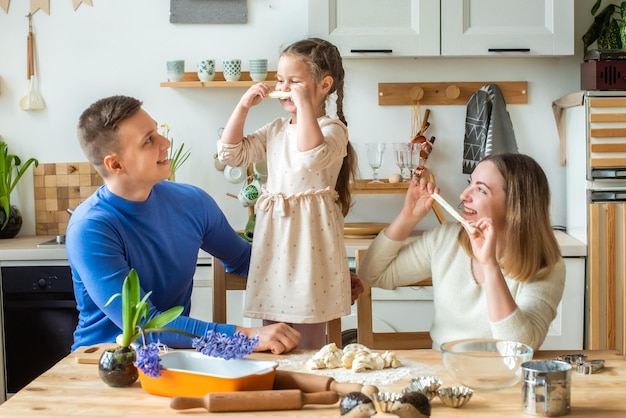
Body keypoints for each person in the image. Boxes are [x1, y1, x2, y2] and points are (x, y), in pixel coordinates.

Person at [66, 95, 301, 354]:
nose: (165, 143)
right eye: (149, 140)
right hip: (102, 363)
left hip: (171, 358)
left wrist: (322, 279)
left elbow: (246, 261)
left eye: (158, 132)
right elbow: (145, 326)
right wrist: (248, 336)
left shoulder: (192, 202)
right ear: (115, 164)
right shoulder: (90, 228)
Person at [218, 38, 358, 349]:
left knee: (307, 328)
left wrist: (305, 104)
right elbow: (230, 153)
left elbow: (311, 155)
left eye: (294, 81)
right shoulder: (275, 129)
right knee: (275, 330)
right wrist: (242, 107)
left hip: (312, 241)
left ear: (324, 85)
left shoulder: (334, 130)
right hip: (275, 238)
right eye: (280, 80)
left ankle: (309, 375)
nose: (284, 87)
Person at [357, 153, 565, 350]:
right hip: (445, 372)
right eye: (470, 184)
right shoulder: (446, 239)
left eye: (481, 189)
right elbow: (372, 274)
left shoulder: (546, 265)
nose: (464, 195)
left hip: (504, 377)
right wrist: (408, 217)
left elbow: (518, 347)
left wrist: (489, 265)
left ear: (515, 206)